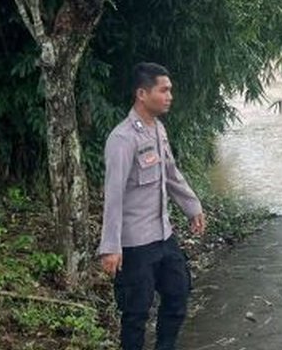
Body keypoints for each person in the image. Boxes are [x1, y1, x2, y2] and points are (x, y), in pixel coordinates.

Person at [98, 62, 207, 350]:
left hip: (163, 236)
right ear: (142, 94)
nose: (170, 95)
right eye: (164, 90)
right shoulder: (122, 139)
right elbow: (113, 195)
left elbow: (170, 174)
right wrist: (110, 247)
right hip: (135, 244)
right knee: (135, 313)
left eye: (170, 89)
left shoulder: (157, 130)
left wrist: (192, 206)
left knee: (178, 293)